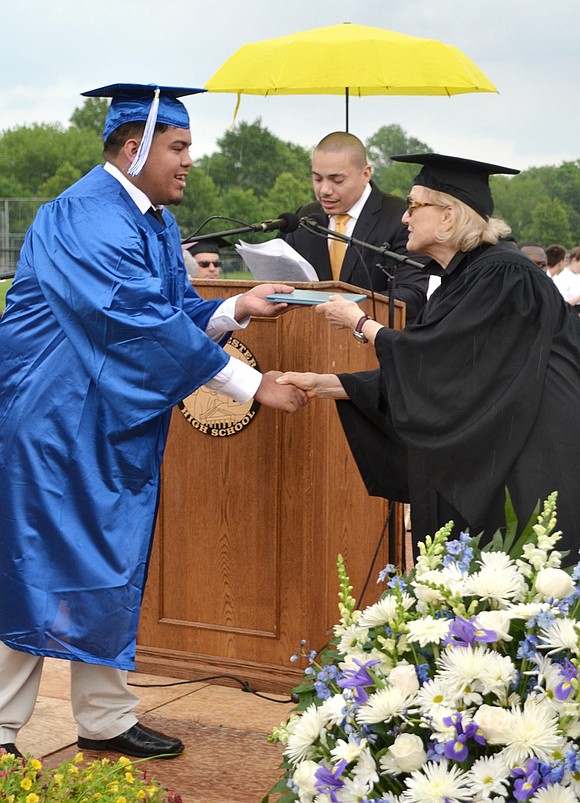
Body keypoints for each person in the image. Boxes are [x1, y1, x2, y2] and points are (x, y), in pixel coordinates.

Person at [0, 83, 307, 761]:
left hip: (107, 423)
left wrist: (237, 309)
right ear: (135, 149)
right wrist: (254, 386)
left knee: (107, 564)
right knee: (37, 568)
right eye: (179, 146)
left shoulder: (152, 220)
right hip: (54, 423)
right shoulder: (86, 216)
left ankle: (105, 716)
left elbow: (171, 312)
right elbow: (133, 323)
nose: (190, 159)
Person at [278, 153, 580, 563]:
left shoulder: (504, 276)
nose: (404, 218)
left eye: (414, 205)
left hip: (526, 468)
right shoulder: (466, 278)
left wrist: (360, 323)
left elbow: (434, 361)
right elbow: (446, 378)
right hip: (498, 459)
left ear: (448, 217)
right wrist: (327, 385)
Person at [282, 132, 428, 323]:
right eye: (317, 179)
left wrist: (351, 313)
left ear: (365, 174)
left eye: (337, 180)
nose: (324, 190)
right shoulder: (304, 217)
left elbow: (412, 296)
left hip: (376, 342)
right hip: (308, 338)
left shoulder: (402, 218)